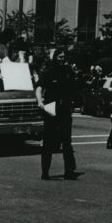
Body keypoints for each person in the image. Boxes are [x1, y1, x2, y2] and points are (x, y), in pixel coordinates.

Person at [34, 48, 80, 181]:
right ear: (55, 58)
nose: (62, 59)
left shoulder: (68, 72)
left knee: (66, 141)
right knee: (48, 141)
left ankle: (69, 171)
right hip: (51, 108)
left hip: (64, 108)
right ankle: (45, 171)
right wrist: (40, 102)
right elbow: (39, 88)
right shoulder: (49, 72)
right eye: (59, 57)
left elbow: (73, 89)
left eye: (63, 57)